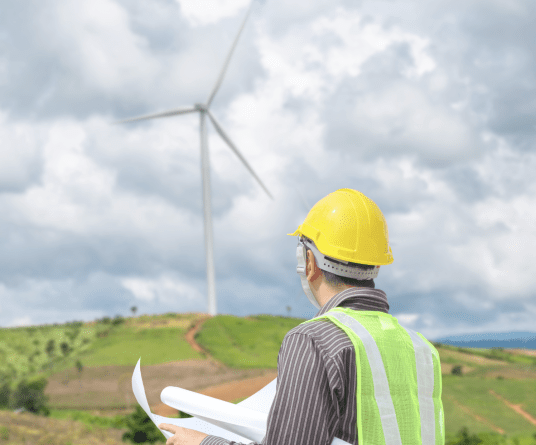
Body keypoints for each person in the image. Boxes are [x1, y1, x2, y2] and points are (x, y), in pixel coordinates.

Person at [159, 188, 444, 445]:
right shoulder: (422, 350)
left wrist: (203, 443)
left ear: (309, 262)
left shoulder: (315, 341)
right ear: (377, 264)